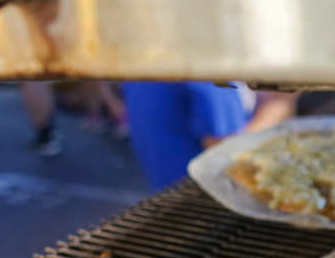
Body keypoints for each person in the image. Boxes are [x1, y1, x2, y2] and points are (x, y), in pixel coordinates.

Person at [122, 81, 295, 192]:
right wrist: (281, 102)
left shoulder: (150, 52)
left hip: (162, 191)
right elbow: (229, 155)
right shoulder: (209, 66)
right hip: (203, 200)